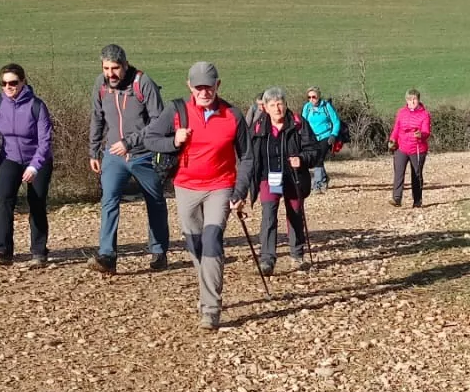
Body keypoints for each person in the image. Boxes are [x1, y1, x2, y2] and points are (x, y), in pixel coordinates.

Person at [144, 62, 253, 330]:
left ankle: (211, 308)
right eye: (198, 87)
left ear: (218, 85)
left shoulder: (233, 115)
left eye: (209, 86)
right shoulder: (176, 110)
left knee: (212, 238)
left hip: (221, 185)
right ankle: (208, 288)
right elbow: (150, 139)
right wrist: (173, 141)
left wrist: (240, 191)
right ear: (189, 86)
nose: (204, 92)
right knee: (195, 244)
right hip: (186, 186)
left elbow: (248, 157)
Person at [89, 44, 170, 274]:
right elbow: (96, 118)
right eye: (106, 68)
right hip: (113, 155)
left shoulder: (143, 83)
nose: (110, 74)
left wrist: (130, 142)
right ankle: (107, 255)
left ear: (125, 65)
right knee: (109, 200)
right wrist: (93, 151)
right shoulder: (100, 85)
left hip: (144, 154)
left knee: (154, 200)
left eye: (115, 68)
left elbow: (159, 121)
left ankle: (158, 251)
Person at [0, 63, 53, 267]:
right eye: (3, 83)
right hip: (10, 157)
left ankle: (39, 252)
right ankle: (2, 250)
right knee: (4, 199)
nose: (8, 87)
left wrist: (34, 166)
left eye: (13, 83)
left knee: (36, 202)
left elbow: (45, 141)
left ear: (23, 82)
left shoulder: (37, 106)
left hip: (38, 159)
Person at [248, 87, 325, 275]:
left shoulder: (299, 124)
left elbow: (314, 150)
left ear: (285, 104)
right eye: (272, 105)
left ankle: (297, 254)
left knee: (295, 214)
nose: (277, 109)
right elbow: (249, 157)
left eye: (280, 104)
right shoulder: (258, 127)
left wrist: (302, 159)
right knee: (268, 215)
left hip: (294, 177)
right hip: (269, 177)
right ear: (265, 107)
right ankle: (267, 259)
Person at [390, 90, 433, 207]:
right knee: (398, 173)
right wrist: (392, 140)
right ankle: (396, 198)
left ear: (418, 100)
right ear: (406, 100)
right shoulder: (401, 112)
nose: (412, 102)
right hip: (401, 147)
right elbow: (396, 128)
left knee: (416, 174)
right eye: (409, 99)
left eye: (414, 99)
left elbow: (426, 132)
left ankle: (417, 200)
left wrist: (421, 134)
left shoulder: (425, 114)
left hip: (418, 148)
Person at [300, 87, 342, 192]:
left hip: (326, 136)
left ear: (319, 96)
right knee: (317, 159)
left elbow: (336, 121)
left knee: (318, 159)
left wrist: (333, 135)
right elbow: (303, 123)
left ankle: (317, 185)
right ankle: (324, 179)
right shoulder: (307, 107)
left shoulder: (326, 106)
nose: (311, 99)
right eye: (309, 97)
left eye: (314, 97)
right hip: (312, 137)